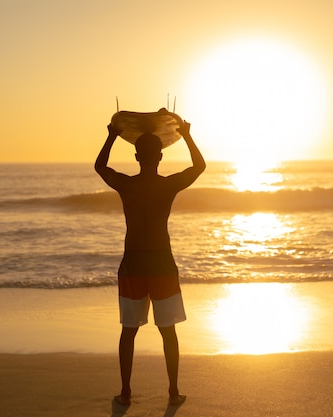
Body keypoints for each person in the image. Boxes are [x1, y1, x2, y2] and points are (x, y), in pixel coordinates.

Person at [94, 120, 205, 406]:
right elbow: (199, 167)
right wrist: (188, 137)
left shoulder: (127, 185)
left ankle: (126, 393)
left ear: (136, 156)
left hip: (133, 264)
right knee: (168, 331)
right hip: (161, 264)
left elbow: (100, 168)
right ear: (160, 157)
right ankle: (173, 391)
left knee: (129, 331)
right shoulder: (167, 186)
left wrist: (111, 137)